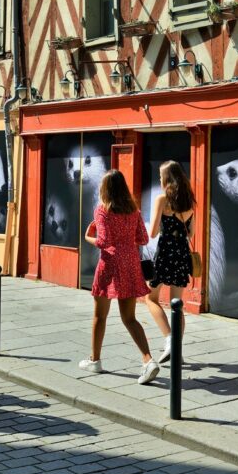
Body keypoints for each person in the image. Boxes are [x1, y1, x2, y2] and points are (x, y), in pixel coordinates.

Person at [81, 170, 160, 385]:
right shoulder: (133, 211)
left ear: (104, 190)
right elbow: (143, 239)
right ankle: (148, 360)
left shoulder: (102, 211)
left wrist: (89, 236)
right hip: (131, 264)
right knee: (130, 318)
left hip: (110, 265)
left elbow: (103, 241)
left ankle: (95, 360)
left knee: (100, 316)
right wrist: (126, 240)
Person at [145, 161, 195, 363]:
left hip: (165, 251)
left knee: (150, 298)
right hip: (181, 253)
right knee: (177, 305)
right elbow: (190, 233)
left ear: (167, 179)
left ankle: (169, 340)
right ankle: (177, 350)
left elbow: (153, 232)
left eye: (160, 176)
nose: (159, 180)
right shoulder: (189, 201)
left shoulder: (162, 199)